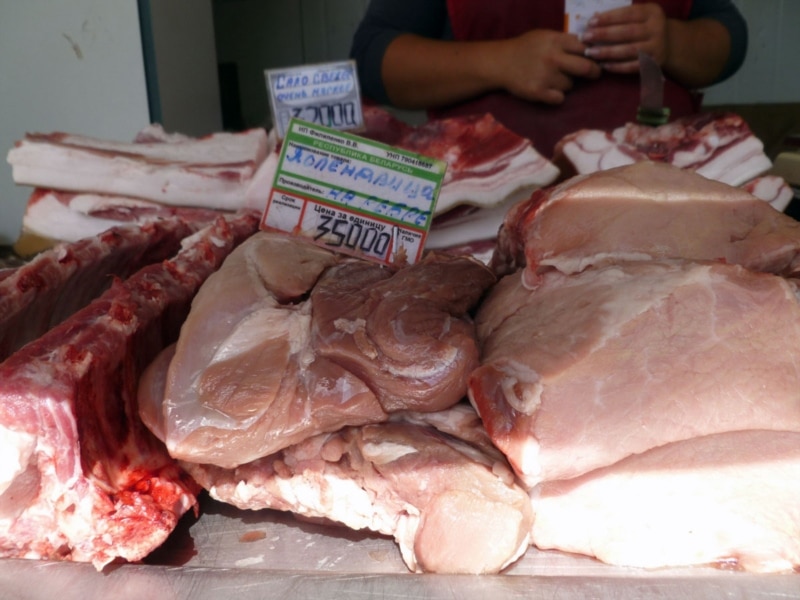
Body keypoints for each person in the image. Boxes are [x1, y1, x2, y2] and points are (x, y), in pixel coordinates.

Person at [350, 1, 748, 157]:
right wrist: (498, 61)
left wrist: (674, 42)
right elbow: (373, 60)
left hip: (657, 180)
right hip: (490, 201)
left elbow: (728, 40)